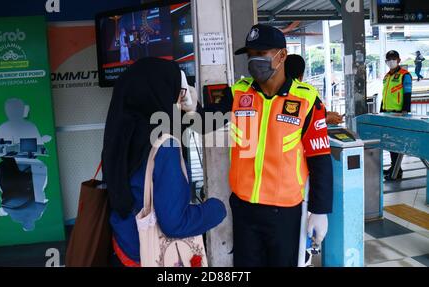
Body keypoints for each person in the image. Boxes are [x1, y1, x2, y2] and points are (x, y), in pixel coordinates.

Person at [186, 24, 333, 267]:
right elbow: (204, 123)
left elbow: (320, 157)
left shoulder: (306, 99)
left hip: (284, 212)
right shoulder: (238, 93)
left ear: (281, 55)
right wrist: (192, 107)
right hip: (245, 208)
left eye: (261, 54)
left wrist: (320, 209)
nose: (254, 60)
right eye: (250, 54)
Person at [102, 57, 226, 267]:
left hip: (123, 246)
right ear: (160, 93)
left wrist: (193, 111)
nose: (179, 97)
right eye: (177, 91)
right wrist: (216, 208)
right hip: (149, 254)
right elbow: (174, 223)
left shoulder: (119, 134)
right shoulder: (164, 145)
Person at [285, 54, 344, 125]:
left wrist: (326, 114)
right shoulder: (306, 92)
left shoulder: (274, 91)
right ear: (301, 75)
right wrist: (327, 118)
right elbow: (299, 122)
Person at [381, 50, 412, 180]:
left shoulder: (405, 75)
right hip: (387, 113)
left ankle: (396, 170)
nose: (391, 61)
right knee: (389, 143)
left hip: (398, 114)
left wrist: (405, 111)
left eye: (393, 59)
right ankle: (395, 167)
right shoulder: (387, 76)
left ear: (398, 60)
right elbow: (385, 95)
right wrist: (381, 109)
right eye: (389, 59)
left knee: (396, 143)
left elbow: (407, 94)